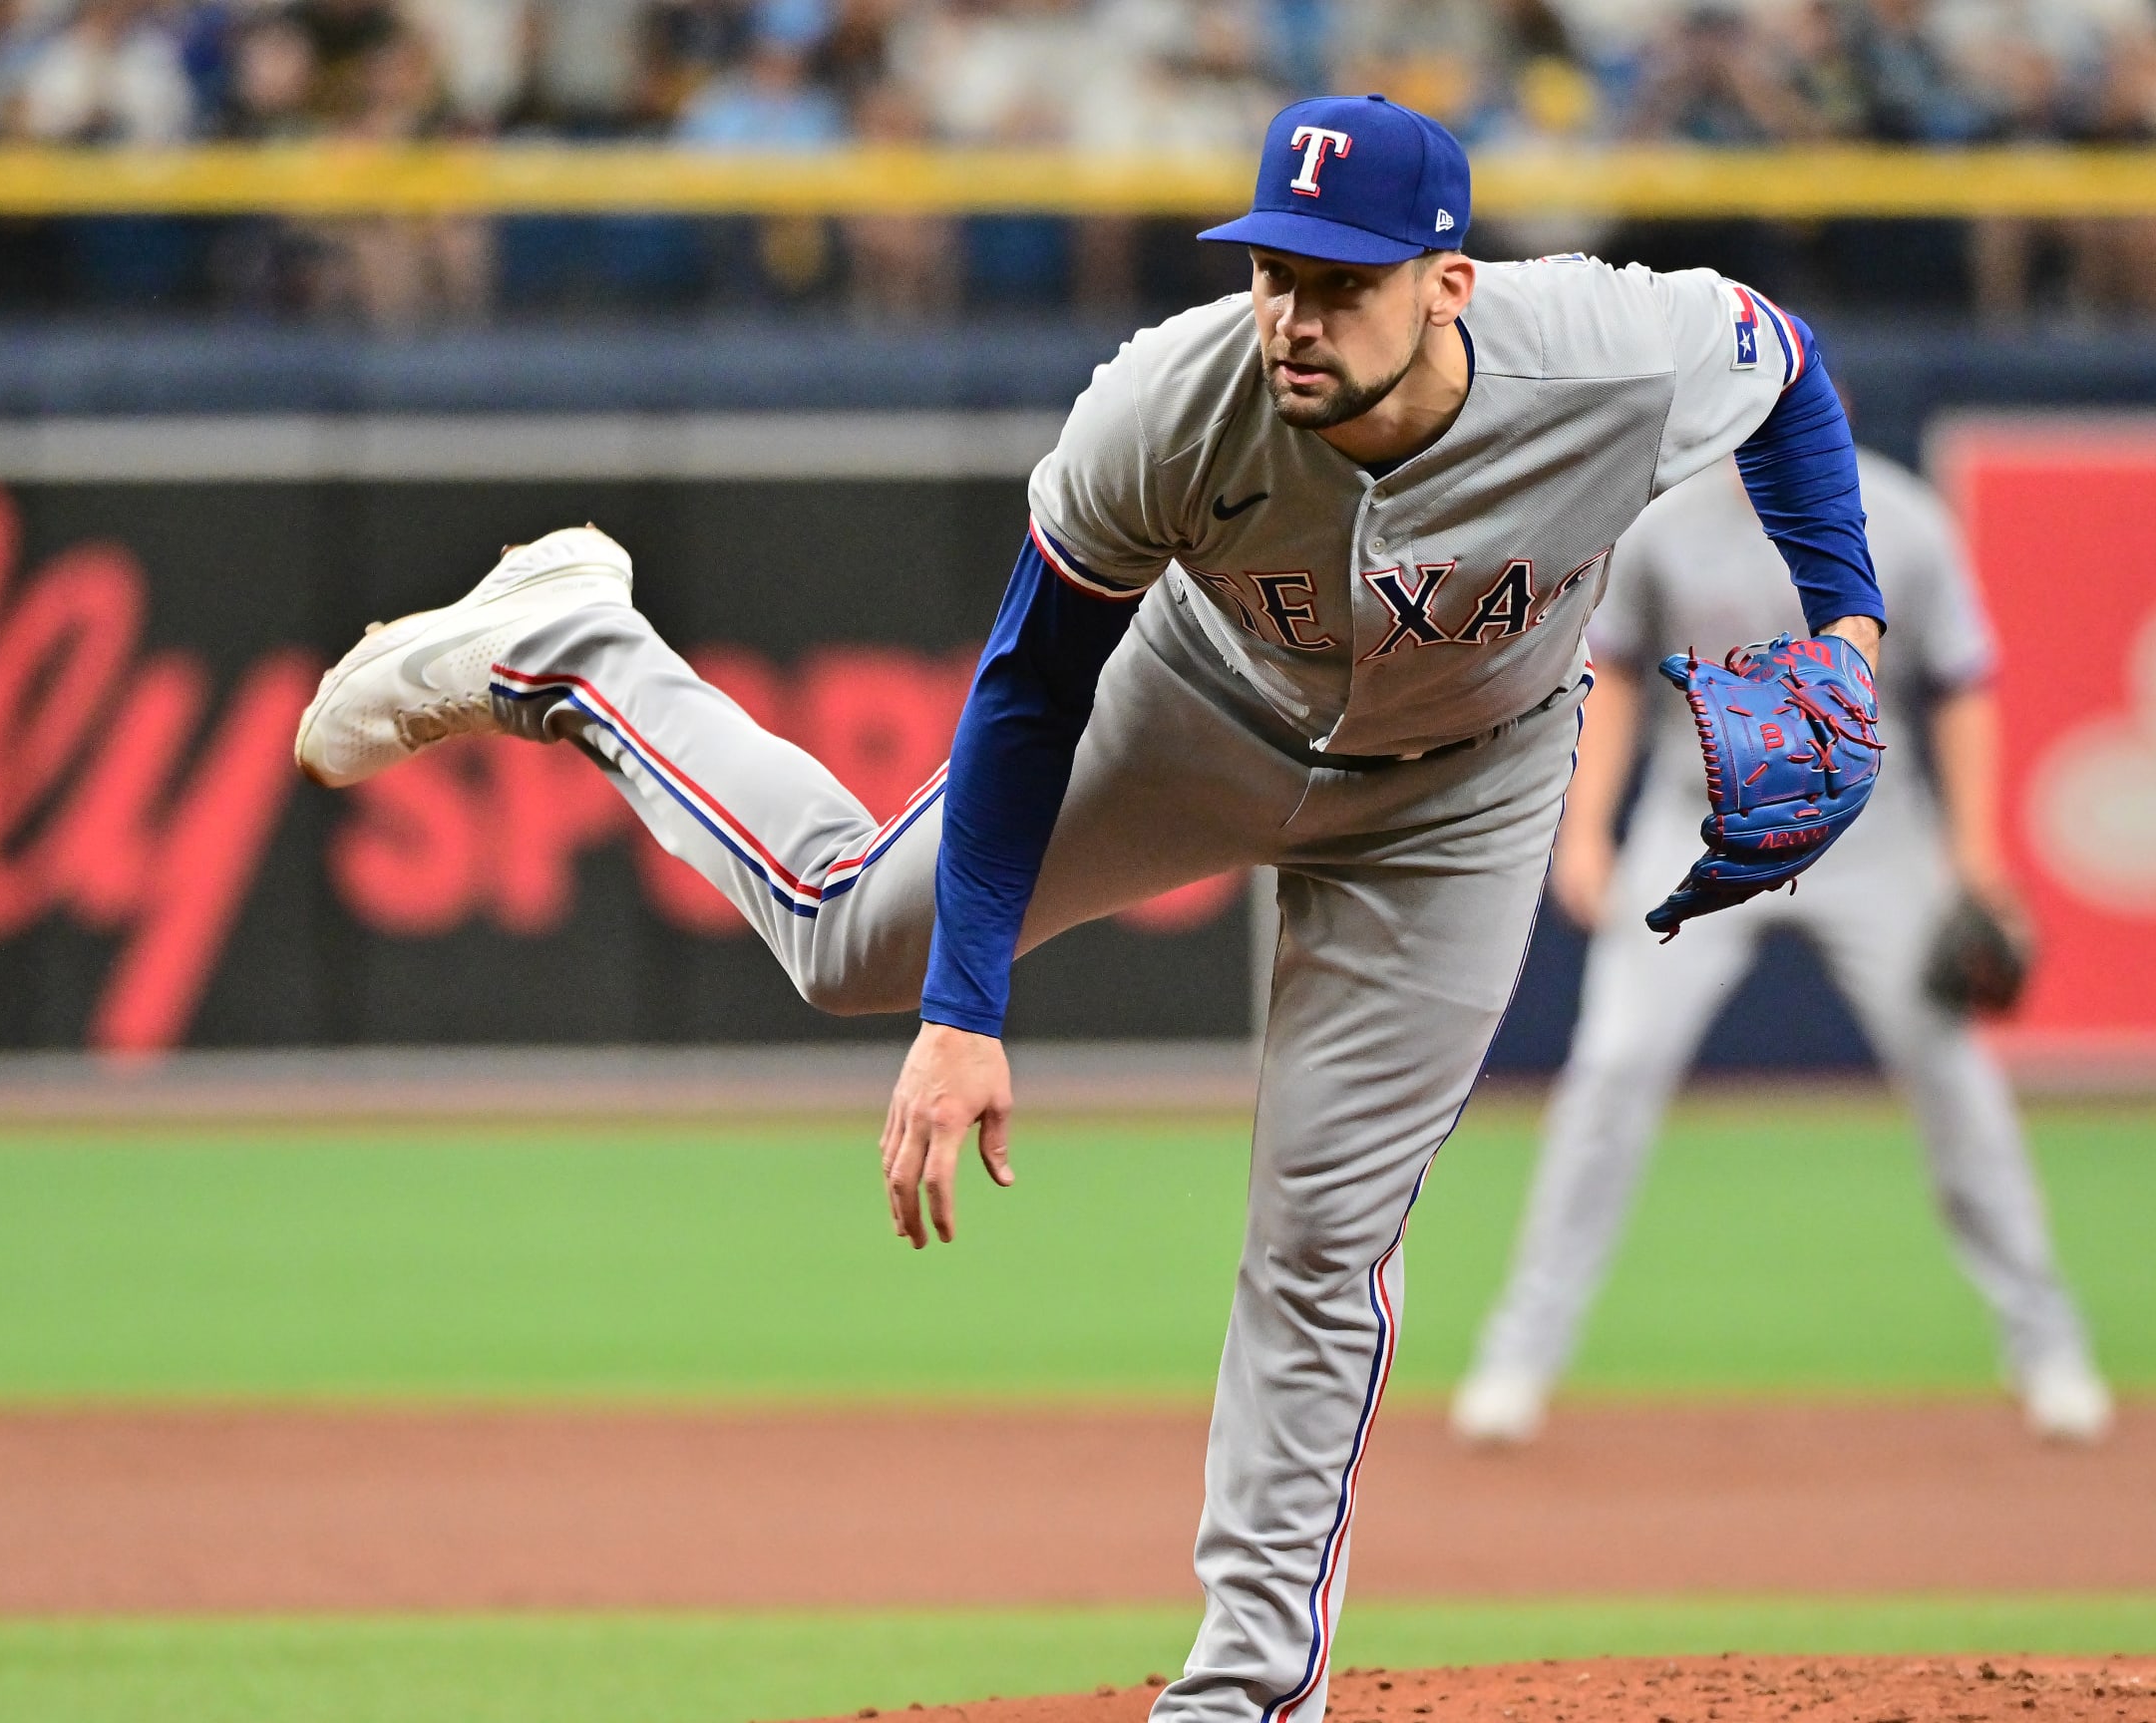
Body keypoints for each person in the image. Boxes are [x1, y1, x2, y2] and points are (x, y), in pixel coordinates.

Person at [292, 95, 1887, 1723]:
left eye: (1339, 281)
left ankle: (1247, 1686)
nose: (1294, 312)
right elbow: (1026, 691)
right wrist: (962, 1008)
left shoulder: (1610, 351)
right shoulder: (1171, 399)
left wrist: (1845, 631)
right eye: (1274, 267)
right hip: (1194, 710)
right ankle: (570, 645)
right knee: (855, 943)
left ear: (1447, 281)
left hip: (1459, 794)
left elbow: (1786, 361)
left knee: (1325, 1231)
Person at [1446, 448, 2113, 1451]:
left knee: (1953, 1076)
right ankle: (1519, 1357)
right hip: (1698, 824)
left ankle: (2048, 1347)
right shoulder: (1668, 526)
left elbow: (1961, 682)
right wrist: (1588, 829)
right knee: (1615, 1069)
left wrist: (1977, 862)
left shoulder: (1903, 519)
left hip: (1871, 832)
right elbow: (1614, 672)